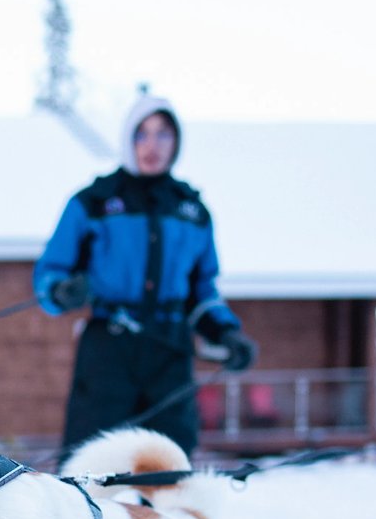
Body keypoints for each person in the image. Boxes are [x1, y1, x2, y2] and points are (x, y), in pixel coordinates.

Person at [34, 93, 256, 456]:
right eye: (143, 134)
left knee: (170, 464)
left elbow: (202, 291)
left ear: (176, 142)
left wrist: (227, 333)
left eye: (163, 134)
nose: (153, 145)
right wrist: (62, 290)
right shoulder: (93, 203)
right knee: (91, 462)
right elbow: (49, 274)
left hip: (170, 353)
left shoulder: (192, 211)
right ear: (128, 139)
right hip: (108, 351)